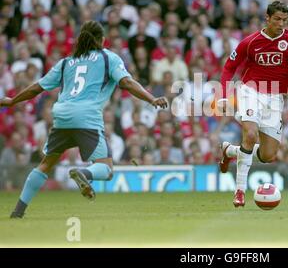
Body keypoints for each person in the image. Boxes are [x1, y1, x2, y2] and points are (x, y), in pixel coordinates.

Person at [0, 21, 168, 218]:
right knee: (106, 168)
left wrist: (12, 101)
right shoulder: (108, 58)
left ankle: (18, 211)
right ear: (101, 40)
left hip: (62, 115)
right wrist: (152, 98)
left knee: (45, 164)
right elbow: (127, 83)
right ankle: (85, 174)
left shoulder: (66, 62)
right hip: (87, 116)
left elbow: (37, 87)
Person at [216, 1, 288, 207]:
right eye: (277, 19)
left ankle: (230, 151)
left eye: (284, 20)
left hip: (275, 98)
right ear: (267, 18)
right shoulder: (250, 42)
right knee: (250, 135)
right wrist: (223, 94)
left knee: (268, 155)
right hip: (250, 91)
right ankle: (240, 191)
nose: (281, 24)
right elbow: (229, 67)